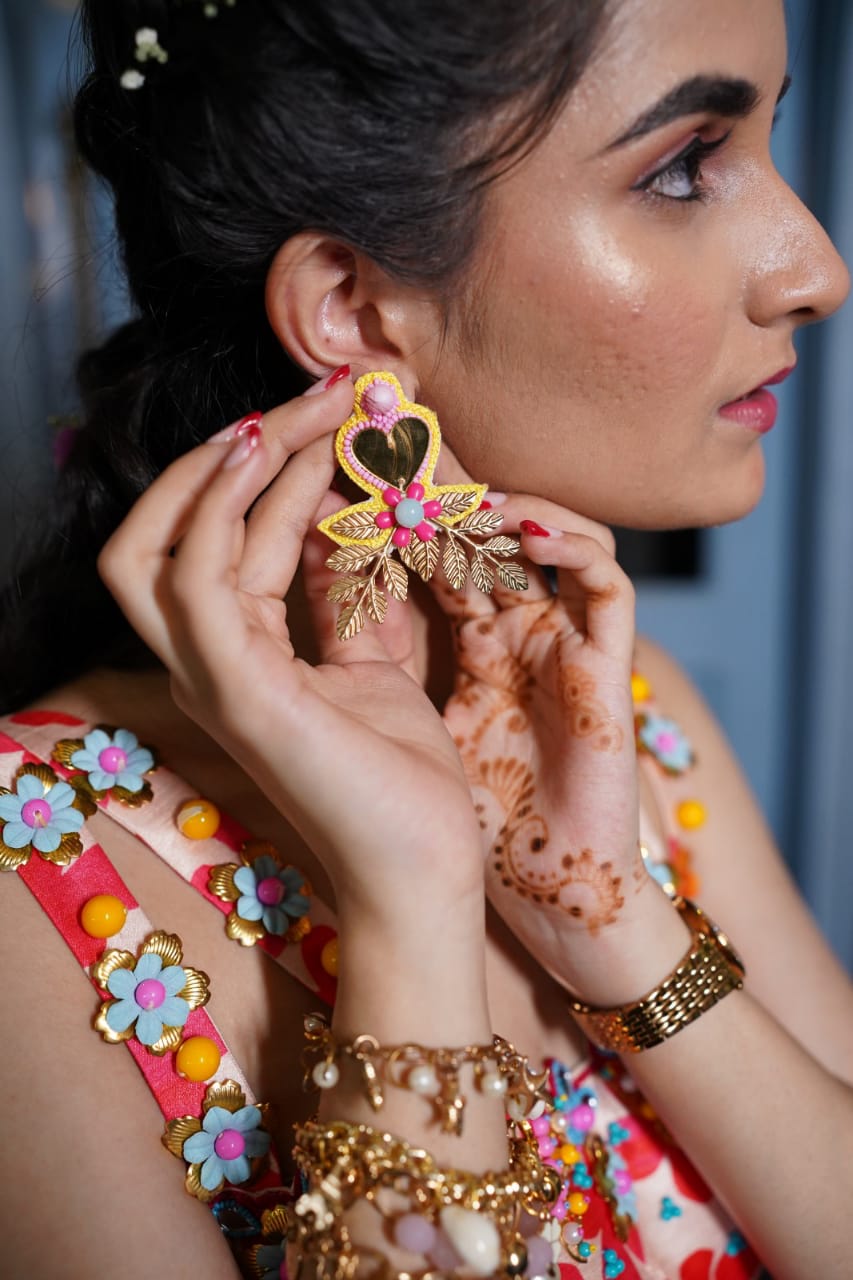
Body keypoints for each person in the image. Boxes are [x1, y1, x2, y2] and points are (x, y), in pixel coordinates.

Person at [1, 1, 851, 1277]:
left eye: (768, 136)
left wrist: (614, 928)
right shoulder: (33, 887)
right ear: (353, 310)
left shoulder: (612, 715)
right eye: (683, 167)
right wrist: (410, 906)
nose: (815, 268)